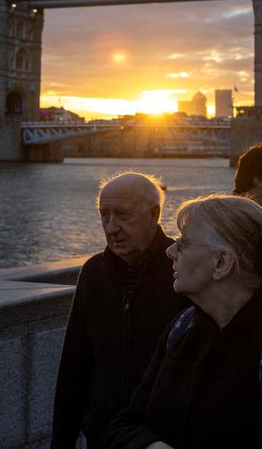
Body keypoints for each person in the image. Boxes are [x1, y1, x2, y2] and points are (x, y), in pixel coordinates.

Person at [106, 194, 262, 448]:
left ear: (221, 262)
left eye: (183, 243)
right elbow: (125, 423)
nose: (170, 251)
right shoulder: (183, 328)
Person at [51, 172, 188, 448]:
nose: (111, 227)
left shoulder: (184, 270)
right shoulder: (93, 273)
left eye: (122, 215)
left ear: (154, 215)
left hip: (161, 439)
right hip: (102, 437)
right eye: (104, 215)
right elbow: (74, 368)